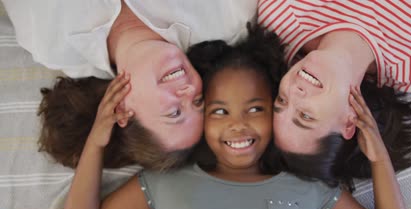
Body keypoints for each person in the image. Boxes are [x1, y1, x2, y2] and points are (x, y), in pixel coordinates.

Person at [61, 26, 411, 209]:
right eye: (219, 111)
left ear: (276, 115)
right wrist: (97, 140)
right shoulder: (167, 183)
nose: (237, 123)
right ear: (201, 121)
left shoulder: (309, 189)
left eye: (256, 108)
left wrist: (379, 157)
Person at [3, 0, 257, 169]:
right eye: (198, 102)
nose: (189, 91)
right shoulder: (227, 21)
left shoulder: (50, 43)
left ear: (122, 111)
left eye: (175, 112)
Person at [257, 0, 411, 161]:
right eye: (305, 115)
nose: (294, 92)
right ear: (349, 120)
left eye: (281, 101)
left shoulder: (284, 14)